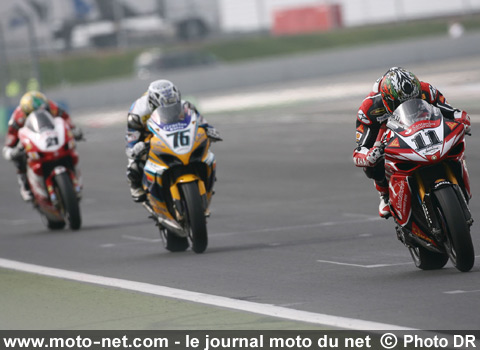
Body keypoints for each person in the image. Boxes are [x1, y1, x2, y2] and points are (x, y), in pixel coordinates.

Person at [353, 67, 471, 218]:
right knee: (372, 163)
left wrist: (462, 117)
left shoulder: (426, 90)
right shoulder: (369, 108)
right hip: (387, 133)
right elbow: (360, 149)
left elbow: (449, 111)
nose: (408, 103)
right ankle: (384, 194)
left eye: (413, 98)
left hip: (422, 125)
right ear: (387, 99)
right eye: (401, 102)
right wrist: (369, 155)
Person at [125, 79, 221, 202]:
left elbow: (202, 123)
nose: (171, 110)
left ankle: (205, 174)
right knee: (134, 165)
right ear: (152, 103)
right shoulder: (137, 113)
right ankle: (136, 186)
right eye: (165, 108)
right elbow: (131, 138)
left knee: (205, 150)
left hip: (172, 132)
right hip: (147, 136)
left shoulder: (186, 105)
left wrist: (209, 130)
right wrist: (135, 148)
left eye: (173, 106)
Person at [2, 91, 83, 201]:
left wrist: (74, 131)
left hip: (50, 135)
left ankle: (74, 175)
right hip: (31, 140)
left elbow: (66, 120)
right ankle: (25, 186)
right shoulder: (17, 119)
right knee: (19, 158)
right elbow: (9, 144)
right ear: (25, 113)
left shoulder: (53, 107)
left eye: (44, 110)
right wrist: (12, 152)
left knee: (70, 146)